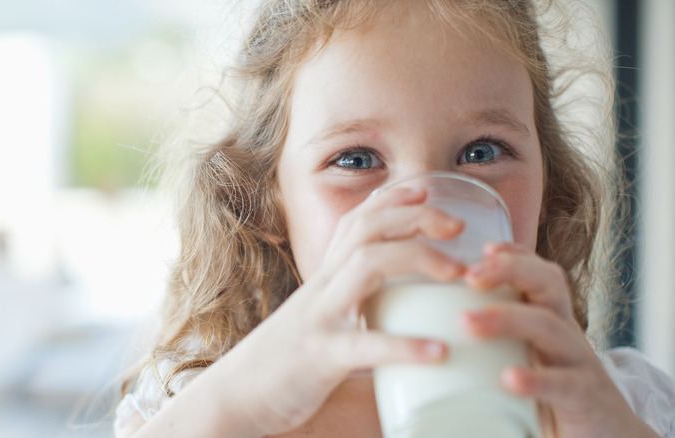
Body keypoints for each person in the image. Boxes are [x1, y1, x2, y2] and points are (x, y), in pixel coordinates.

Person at [114, 0, 675, 436]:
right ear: (268, 203)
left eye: (482, 152)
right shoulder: (203, 408)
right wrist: (232, 406)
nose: (427, 211)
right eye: (355, 161)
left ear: (548, 181)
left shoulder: (622, 404)